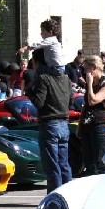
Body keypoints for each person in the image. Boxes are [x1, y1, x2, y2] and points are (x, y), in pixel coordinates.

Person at [27, 48, 73, 193]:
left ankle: (54, 200)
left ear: (38, 62)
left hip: (50, 124)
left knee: (52, 166)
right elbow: (71, 102)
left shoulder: (43, 78)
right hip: (64, 124)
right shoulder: (65, 78)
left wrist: (29, 92)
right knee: (64, 164)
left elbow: (39, 103)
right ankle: (69, 196)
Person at [78, 55, 105, 175]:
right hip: (87, 124)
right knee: (89, 163)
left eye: (86, 69)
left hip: (99, 125)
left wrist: (89, 84)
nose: (84, 72)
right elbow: (86, 105)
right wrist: (80, 125)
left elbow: (93, 100)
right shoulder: (91, 83)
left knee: (101, 162)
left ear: (93, 68)